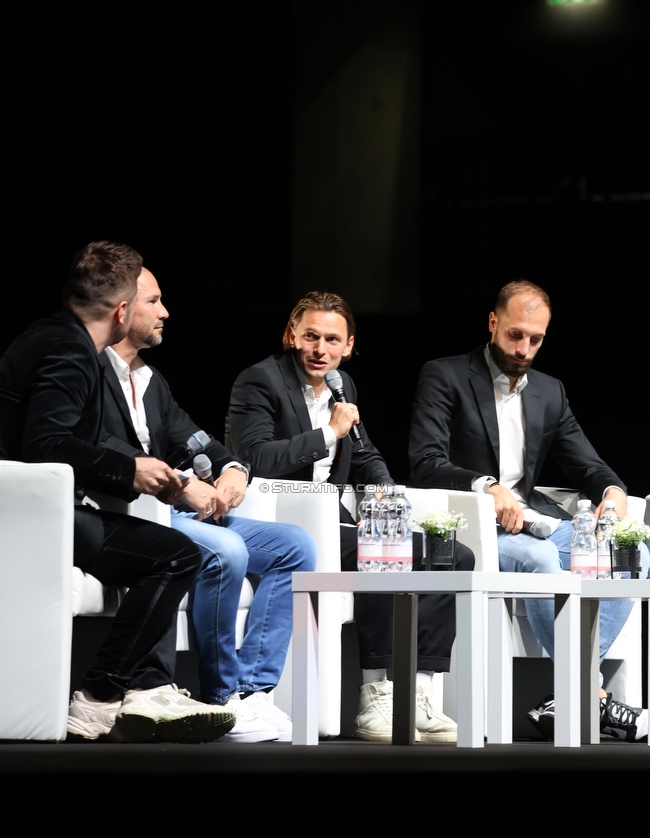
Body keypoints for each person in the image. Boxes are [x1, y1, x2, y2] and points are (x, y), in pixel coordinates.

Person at [0, 242, 236, 743]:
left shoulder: (56, 336)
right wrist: (127, 469)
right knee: (174, 557)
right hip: (28, 517)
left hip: (41, 509)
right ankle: (99, 697)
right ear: (122, 310)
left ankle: (119, 692)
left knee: (171, 552)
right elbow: (44, 443)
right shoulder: (70, 350)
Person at [226, 290, 475, 744]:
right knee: (381, 552)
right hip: (287, 524)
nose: (321, 349)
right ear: (291, 335)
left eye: (332, 340)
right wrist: (328, 432)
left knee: (451, 556)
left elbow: (363, 453)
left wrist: (382, 491)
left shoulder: (344, 386)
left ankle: (417, 693)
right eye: (311, 337)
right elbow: (254, 457)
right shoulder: (259, 380)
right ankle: (375, 699)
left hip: (337, 521)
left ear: (349, 345)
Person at [409, 279, 649, 742]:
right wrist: (487, 487)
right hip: (475, 524)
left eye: (535, 339)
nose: (523, 348)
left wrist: (614, 491)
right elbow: (425, 462)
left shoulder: (549, 391)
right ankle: (588, 695)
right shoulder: (445, 375)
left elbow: (588, 464)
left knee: (632, 554)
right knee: (540, 563)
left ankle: (572, 695)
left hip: (535, 520)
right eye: (515, 335)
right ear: (493, 323)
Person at [101, 268, 317, 743]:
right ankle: (220, 699)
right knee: (228, 550)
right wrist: (181, 485)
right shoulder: (93, 372)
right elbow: (105, 450)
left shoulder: (150, 379)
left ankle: (253, 689)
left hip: (177, 510)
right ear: (122, 307)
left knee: (295, 546)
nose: (165, 311)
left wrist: (233, 469)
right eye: (154, 301)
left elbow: (194, 437)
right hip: (136, 511)